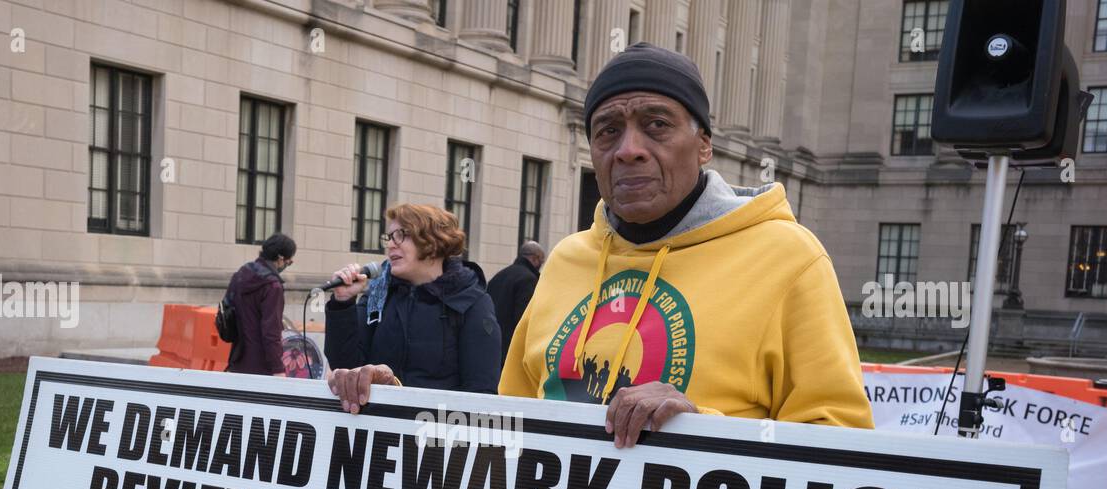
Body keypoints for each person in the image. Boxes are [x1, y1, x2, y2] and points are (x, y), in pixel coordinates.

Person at [327, 44, 873, 445]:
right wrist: (396, 404)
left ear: (704, 143)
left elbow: (847, 448)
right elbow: (506, 426)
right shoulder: (568, 259)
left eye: (656, 124)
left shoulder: (791, 259)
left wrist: (702, 430)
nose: (628, 149)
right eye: (608, 131)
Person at [323, 204, 500, 410]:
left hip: (435, 435)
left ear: (433, 241)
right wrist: (342, 303)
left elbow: (480, 393)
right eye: (388, 237)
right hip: (375, 432)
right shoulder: (379, 293)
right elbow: (346, 366)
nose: (390, 245)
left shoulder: (471, 301)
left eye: (400, 235)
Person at [224, 233, 295, 376]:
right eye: (289, 261)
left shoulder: (240, 275)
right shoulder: (273, 286)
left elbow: (227, 315)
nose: (287, 264)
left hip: (237, 360)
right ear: (280, 259)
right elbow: (271, 332)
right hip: (261, 367)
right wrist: (278, 368)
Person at [486, 241, 546, 368]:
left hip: (492, 345)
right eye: (541, 260)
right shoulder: (528, 280)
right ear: (535, 259)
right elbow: (524, 319)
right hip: (511, 351)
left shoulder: (499, 276)